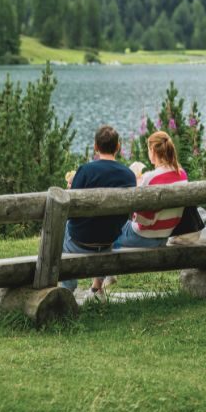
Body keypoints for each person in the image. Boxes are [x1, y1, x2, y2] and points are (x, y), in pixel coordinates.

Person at [61, 125, 136, 298]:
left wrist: (71, 188)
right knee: (105, 223)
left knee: (63, 227)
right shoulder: (128, 175)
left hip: (80, 241)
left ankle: (67, 287)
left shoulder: (85, 171)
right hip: (110, 239)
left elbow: (71, 211)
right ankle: (97, 287)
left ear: (95, 146)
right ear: (118, 147)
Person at [113, 130, 188, 249]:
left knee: (109, 230)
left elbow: (143, 220)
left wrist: (138, 187)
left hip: (143, 237)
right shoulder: (182, 174)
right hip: (165, 236)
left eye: (148, 149)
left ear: (152, 151)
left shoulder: (150, 178)